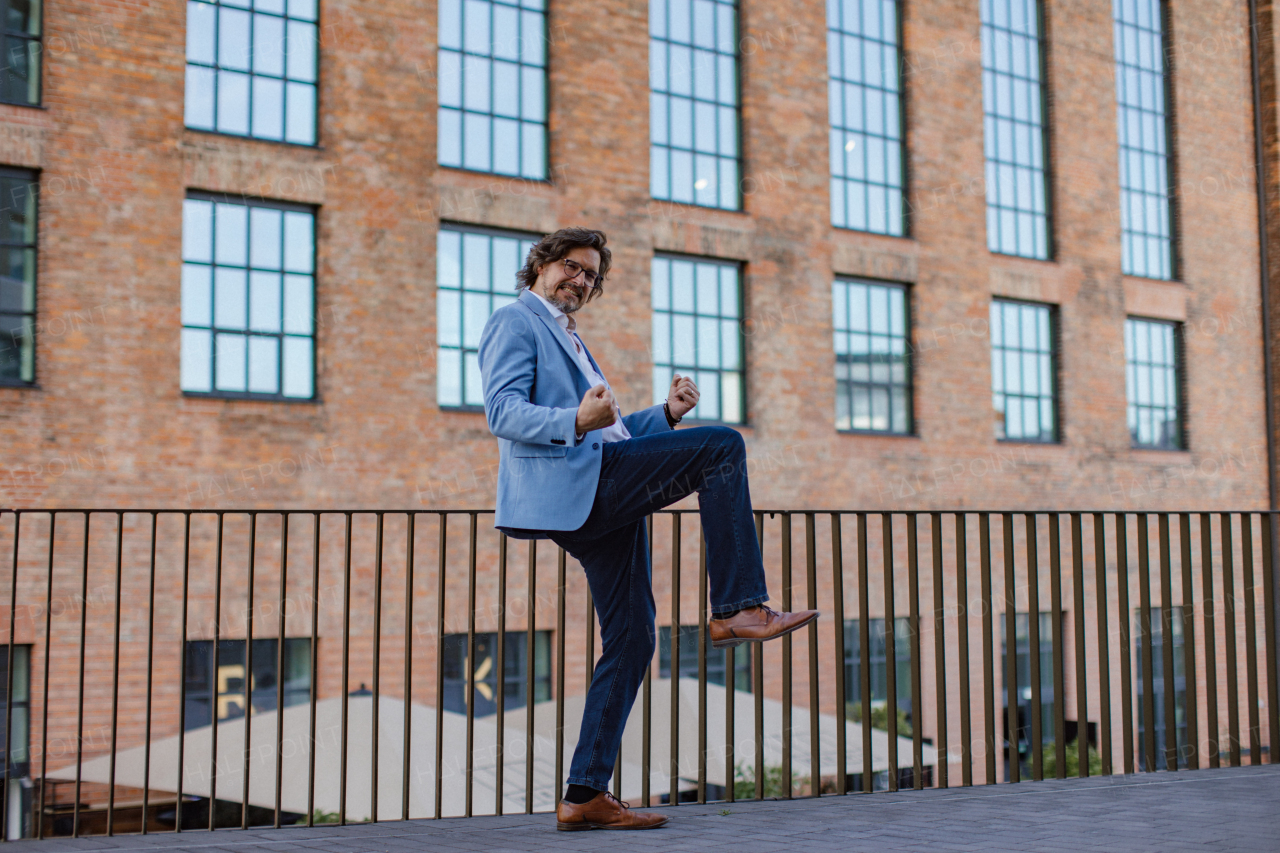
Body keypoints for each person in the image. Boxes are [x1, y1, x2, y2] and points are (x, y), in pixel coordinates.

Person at [478, 226, 818, 832]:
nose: (580, 281)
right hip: (577, 486)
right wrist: (574, 417)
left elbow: (614, 434)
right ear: (542, 264)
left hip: (598, 484)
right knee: (720, 447)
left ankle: (584, 794)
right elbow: (503, 411)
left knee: (634, 638)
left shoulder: (571, 338)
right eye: (572, 268)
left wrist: (663, 415)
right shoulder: (516, 320)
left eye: (590, 275)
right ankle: (739, 606)